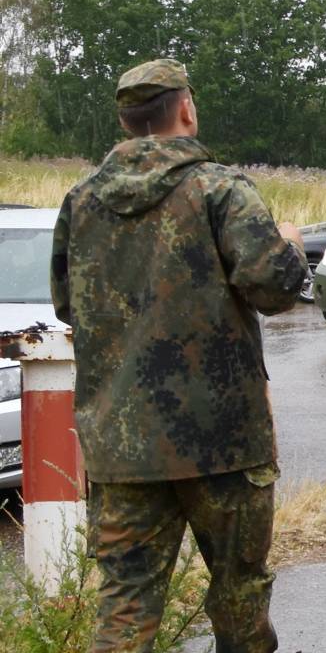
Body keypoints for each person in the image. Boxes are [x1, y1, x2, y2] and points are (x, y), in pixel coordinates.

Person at [50, 58, 306, 652]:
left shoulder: (80, 201)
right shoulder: (220, 190)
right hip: (223, 442)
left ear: (124, 117)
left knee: (125, 604)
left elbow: (69, 306)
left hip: (121, 447)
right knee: (239, 596)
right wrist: (290, 242)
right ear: (185, 109)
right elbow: (274, 289)